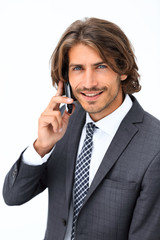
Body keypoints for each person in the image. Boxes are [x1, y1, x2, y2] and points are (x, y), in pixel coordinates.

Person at [3, 17, 160, 240]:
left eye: (101, 66)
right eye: (78, 68)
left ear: (123, 70)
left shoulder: (155, 147)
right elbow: (13, 196)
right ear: (65, 77)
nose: (88, 82)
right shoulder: (65, 123)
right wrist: (41, 147)